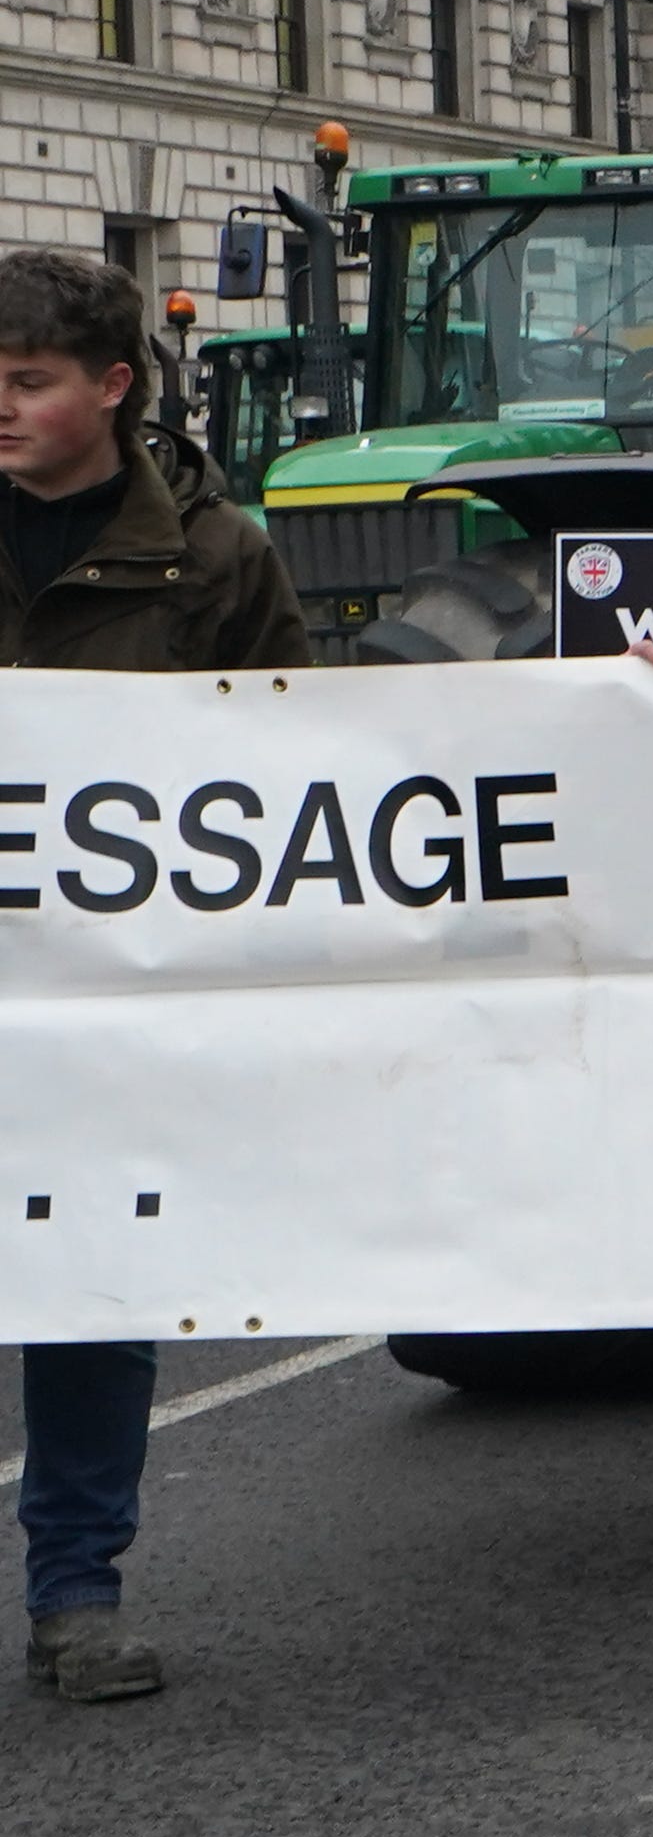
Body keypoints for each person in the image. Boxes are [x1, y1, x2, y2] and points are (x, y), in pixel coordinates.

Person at [0, 249, 311, 1705]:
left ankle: (76, 1595)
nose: (2, 407)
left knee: (87, 1287)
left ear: (113, 387)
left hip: (108, 996)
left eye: (28, 382)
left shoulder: (213, 555)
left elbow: (300, 761)